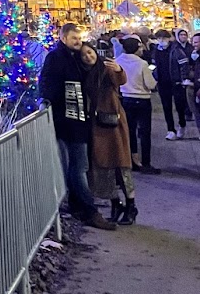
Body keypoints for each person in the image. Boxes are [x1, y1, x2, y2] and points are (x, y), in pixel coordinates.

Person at [39, 22, 116, 230]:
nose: (78, 42)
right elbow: (47, 83)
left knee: (76, 166)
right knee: (79, 166)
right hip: (69, 120)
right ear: (63, 38)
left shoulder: (75, 57)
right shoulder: (56, 57)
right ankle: (90, 210)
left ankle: (77, 205)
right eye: (74, 38)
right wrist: (48, 101)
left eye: (80, 38)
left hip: (79, 119)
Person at [79, 43, 137, 223]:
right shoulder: (83, 72)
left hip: (113, 122)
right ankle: (115, 203)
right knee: (104, 166)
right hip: (97, 124)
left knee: (121, 165)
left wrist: (118, 69)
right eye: (84, 55)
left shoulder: (105, 67)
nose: (88, 57)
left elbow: (120, 79)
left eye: (90, 52)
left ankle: (131, 206)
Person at [116, 36, 159, 174]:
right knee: (145, 132)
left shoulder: (118, 61)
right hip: (142, 100)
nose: (142, 50)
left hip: (126, 99)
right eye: (140, 47)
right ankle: (146, 163)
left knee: (130, 131)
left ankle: (133, 160)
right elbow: (150, 84)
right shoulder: (142, 64)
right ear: (136, 48)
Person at [150, 29, 187, 140]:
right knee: (166, 107)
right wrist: (154, 76)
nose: (161, 40)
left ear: (169, 38)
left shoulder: (175, 49)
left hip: (176, 82)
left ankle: (182, 124)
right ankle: (170, 130)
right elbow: (153, 65)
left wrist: (182, 79)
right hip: (162, 83)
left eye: (164, 38)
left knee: (180, 106)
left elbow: (184, 64)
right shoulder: (156, 51)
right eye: (159, 38)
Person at [184, 32, 200, 135]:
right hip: (194, 87)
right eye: (193, 42)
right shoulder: (195, 55)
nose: (194, 44)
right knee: (197, 113)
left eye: (196, 42)